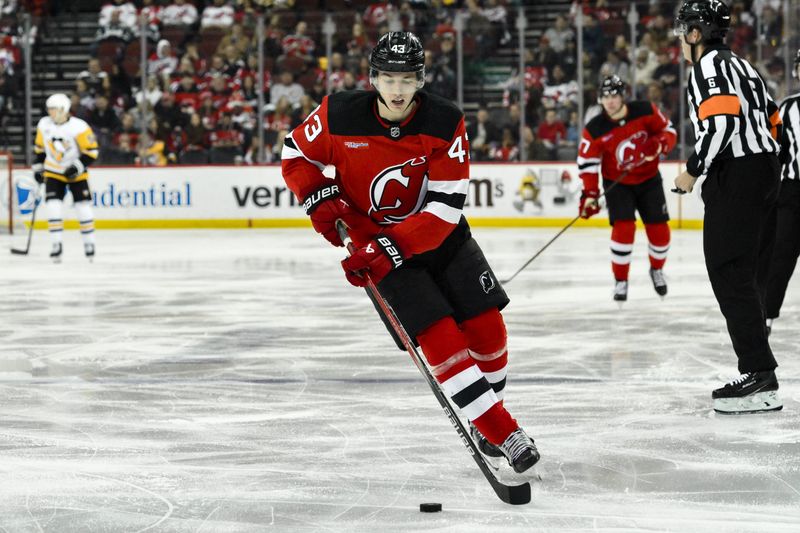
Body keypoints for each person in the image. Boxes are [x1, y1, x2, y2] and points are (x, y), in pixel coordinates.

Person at [281, 31, 540, 473]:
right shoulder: (338, 114)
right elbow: (294, 153)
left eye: (406, 79)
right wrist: (319, 197)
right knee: (440, 338)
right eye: (388, 78)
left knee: (489, 330)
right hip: (376, 247)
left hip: (443, 240)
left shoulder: (444, 120)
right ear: (373, 78)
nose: (397, 90)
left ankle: (486, 418)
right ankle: (504, 431)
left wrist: (390, 247)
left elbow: (444, 208)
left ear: (420, 79)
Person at [672, 0, 782, 414]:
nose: (680, 40)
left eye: (684, 30)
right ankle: (759, 370)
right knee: (744, 271)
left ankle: (759, 376)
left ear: (697, 33)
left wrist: (692, 170)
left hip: (738, 172)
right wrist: (768, 168)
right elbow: (774, 119)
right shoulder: (743, 65)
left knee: (728, 270)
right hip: (761, 169)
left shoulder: (709, 68)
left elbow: (721, 124)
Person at [576, 75, 676, 302]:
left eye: (614, 96)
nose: (610, 101)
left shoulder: (645, 110)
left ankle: (657, 270)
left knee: (660, 231)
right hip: (617, 184)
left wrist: (659, 143)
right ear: (600, 100)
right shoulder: (595, 129)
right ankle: (620, 280)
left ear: (623, 97)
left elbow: (669, 131)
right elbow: (587, 163)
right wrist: (590, 194)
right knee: (623, 230)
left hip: (650, 179)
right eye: (605, 97)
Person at [33, 93, 100, 262]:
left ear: (64, 109)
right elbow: (40, 150)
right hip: (54, 172)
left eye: (53, 109)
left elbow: (92, 152)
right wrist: (38, 169)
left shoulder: (79, 126)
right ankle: (56, 245)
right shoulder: (44, 124)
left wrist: (76, 166)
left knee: (83, 207)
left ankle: (89, 244)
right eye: (49, 109)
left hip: (76, 174)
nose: (50, 112)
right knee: (53, 207)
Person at [763, 49, 800, 337]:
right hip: (791, 194)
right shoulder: (786, 108)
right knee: (780, 257)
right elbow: (775, 152)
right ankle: (766, 315)